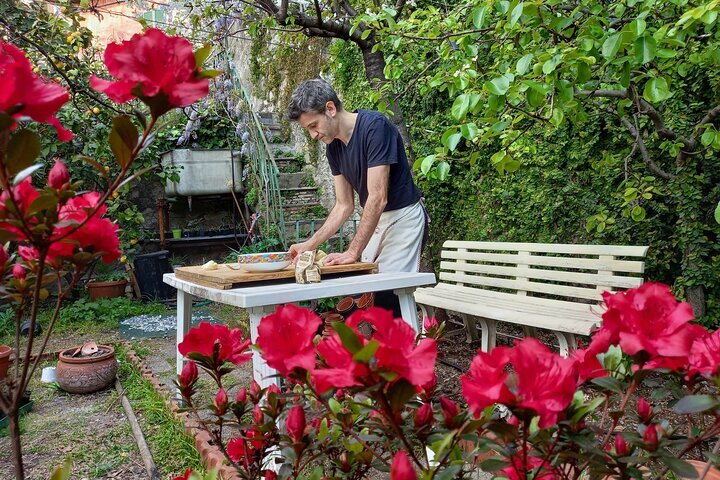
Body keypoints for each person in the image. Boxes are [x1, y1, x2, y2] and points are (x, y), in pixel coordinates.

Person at [287, 79, 427, 316]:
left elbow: (377, 198)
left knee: (387, 298)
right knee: (361, 296)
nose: (312, 135)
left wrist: (352, 252)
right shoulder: (334, 148)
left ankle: (405, 348)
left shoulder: (375, 127)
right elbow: (344, 206)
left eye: (313, 125)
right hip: (377, 222)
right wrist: (308, 245)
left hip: (404, 218)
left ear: (330, 109)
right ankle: (364, 351)